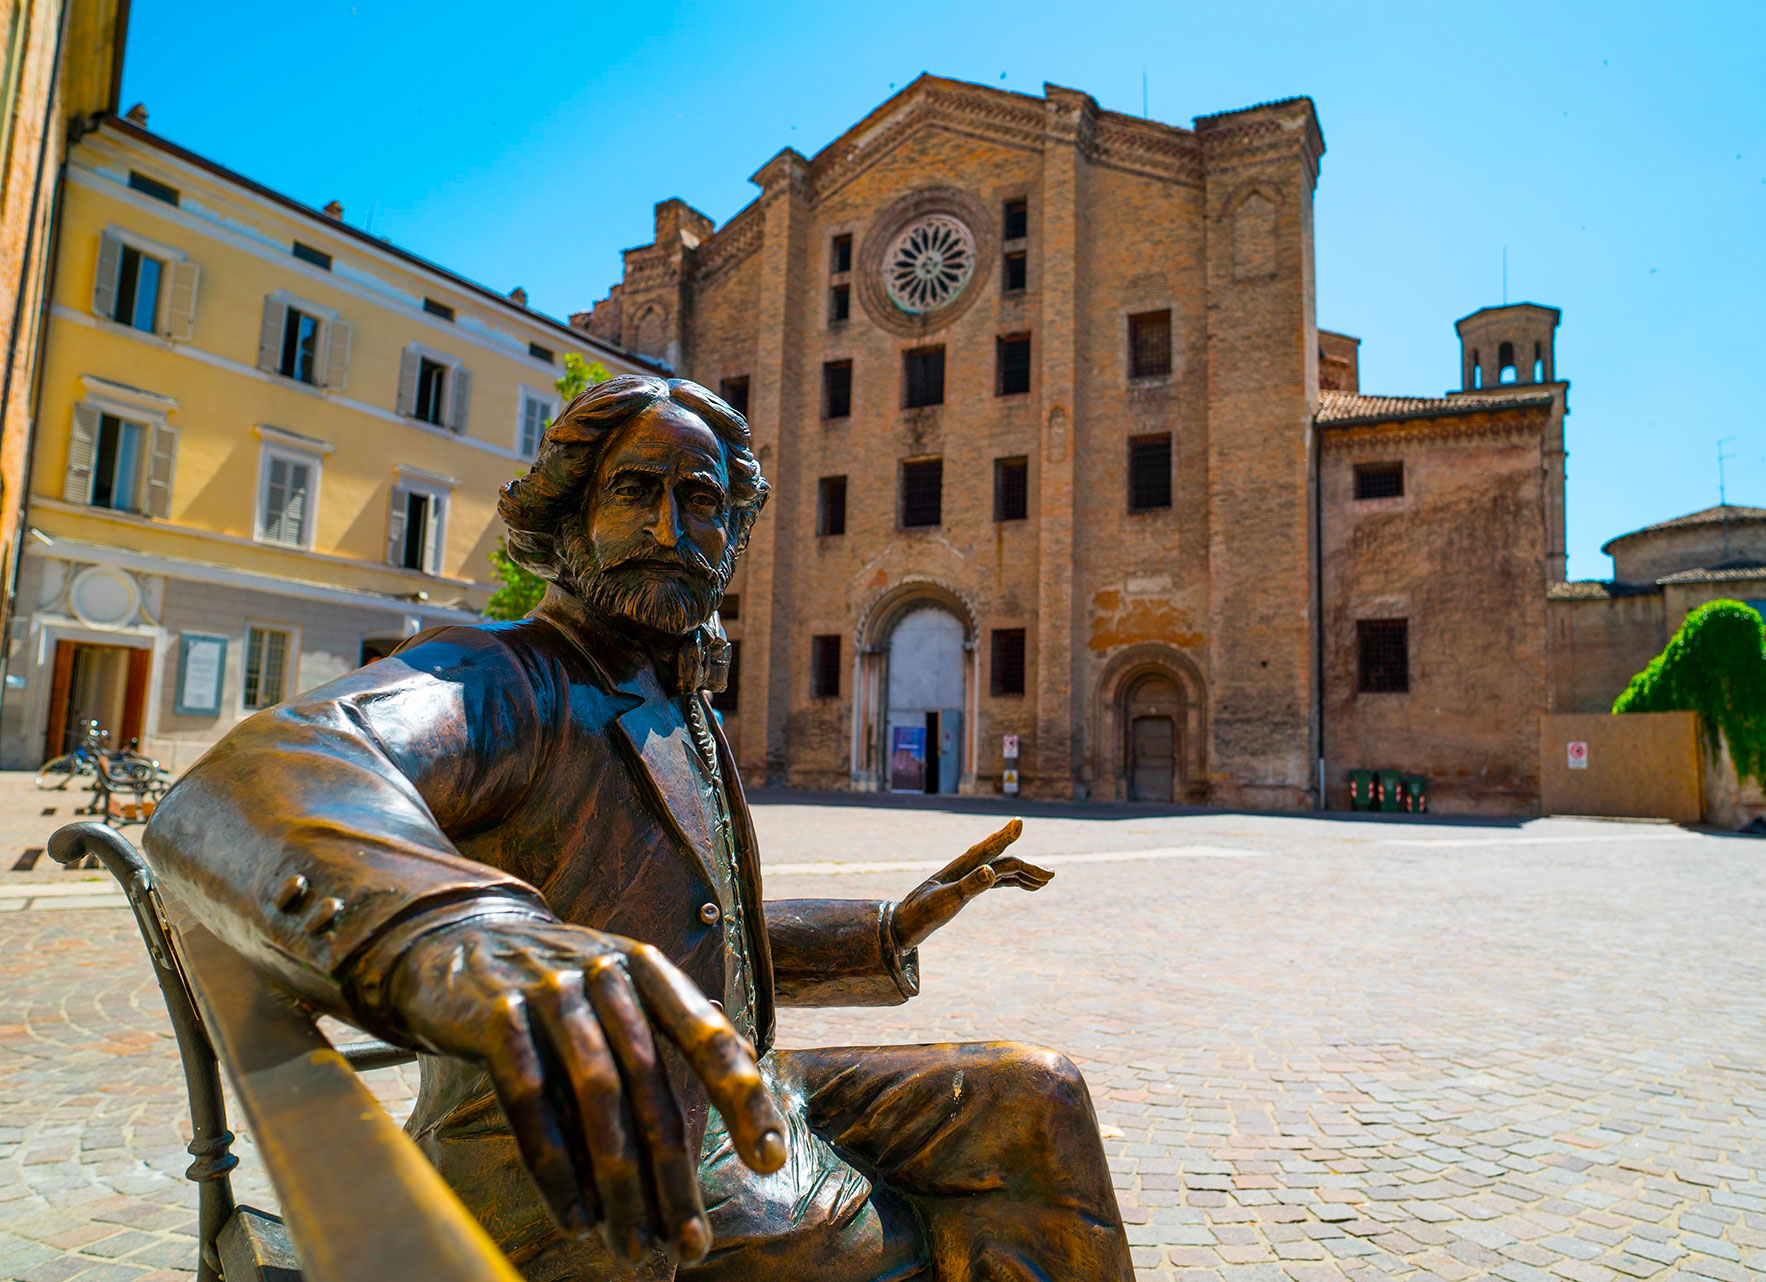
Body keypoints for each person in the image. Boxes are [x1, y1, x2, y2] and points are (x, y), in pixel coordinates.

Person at [144, 375, 1135, 1282]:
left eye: (702, 502)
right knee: (919, 1239)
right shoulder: (506, 678)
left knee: (1033, 1097)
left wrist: (886, 927)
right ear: (571, 512)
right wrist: (454, 935)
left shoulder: (668, 688)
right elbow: (256, 777)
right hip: (580, 1159)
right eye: (636, 491)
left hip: (715, 1095)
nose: (672, 527)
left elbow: (689, 936)